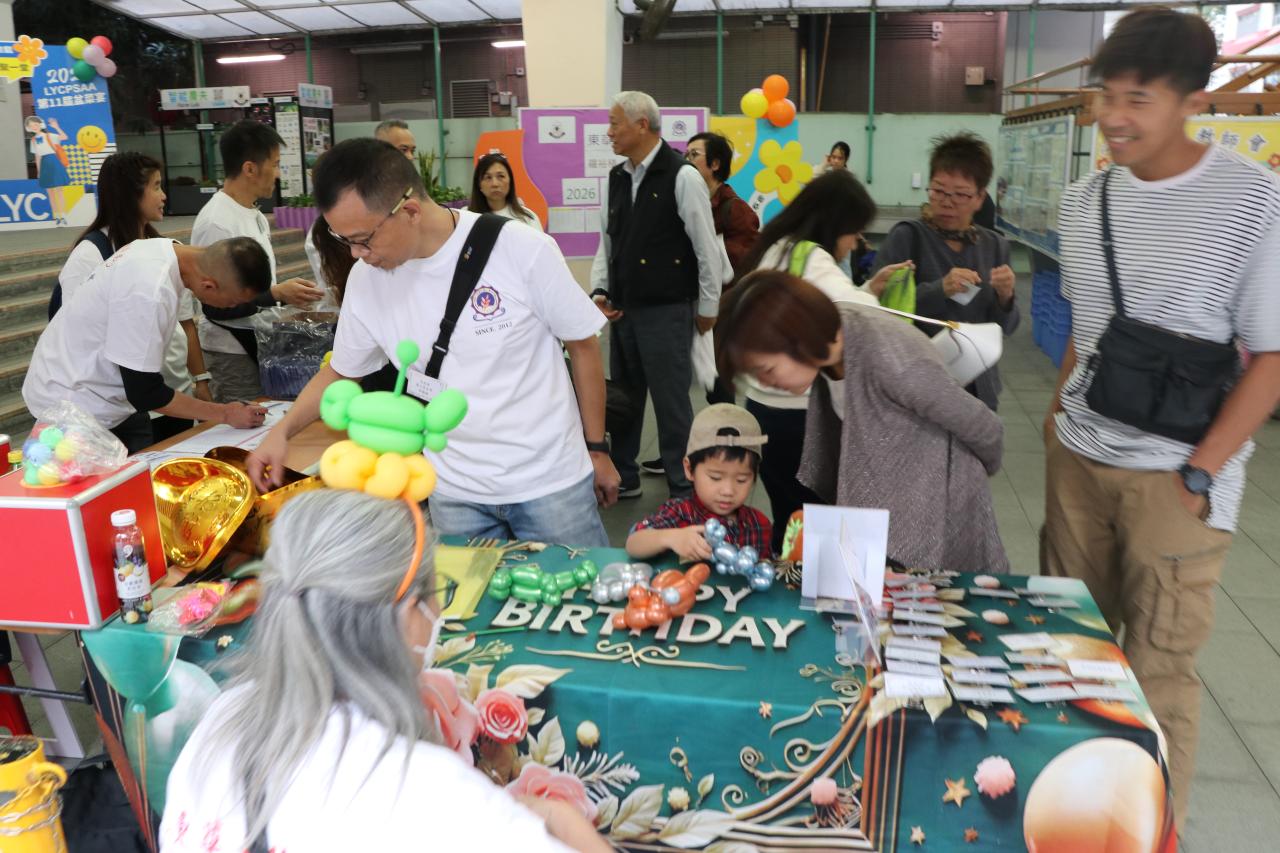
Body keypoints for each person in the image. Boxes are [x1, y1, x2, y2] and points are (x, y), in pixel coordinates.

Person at [1042, 9, 1280, 831]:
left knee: (1158, 666)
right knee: (1069, 652)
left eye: (1138, 98)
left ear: (1193, 101)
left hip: (1178, 478)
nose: (1113, 116)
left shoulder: (1253, 201)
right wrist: (1057, 417)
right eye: (1106, 94)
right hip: (1079, 461)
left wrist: (1202, 472)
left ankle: (1148, 829)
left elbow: (1272, 356)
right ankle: (1067, 814)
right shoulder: (1085, 199)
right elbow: (1087, 329)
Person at [159, 489, 607, 853]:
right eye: (437, 592)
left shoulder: (221, 720)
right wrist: (562, 819)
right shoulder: (430, 794)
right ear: (410, 614)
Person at [247, 138, 619, 546]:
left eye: (363, 238)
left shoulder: (520, 248)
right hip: (453, 491)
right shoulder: (367, 280)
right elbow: (341, 371)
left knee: (574, 583)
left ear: (409, 211)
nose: (355, 254)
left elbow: (583, 346)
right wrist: (282, 432)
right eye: (344, 240)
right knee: (464, 588)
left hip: (549, 483)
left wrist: (596, 449)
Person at [717, 270, 1008, 574]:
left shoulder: (892, 360)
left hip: (937, 511)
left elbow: (984, 427)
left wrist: (957, 483)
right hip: (890, 503)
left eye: (766, 369)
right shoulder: (833, 340)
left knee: (922, 594)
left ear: (798, 339)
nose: (765, 383)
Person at [734, 170, 909, 556]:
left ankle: (783, 579)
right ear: (837, 225)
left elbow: (816, 312)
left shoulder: (777, 248)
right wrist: (873, 299)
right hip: (803, 418)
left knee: (789, 518)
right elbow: (860, 314)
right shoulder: (812, 258)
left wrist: (868, 287)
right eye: (854, 233)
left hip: (762, 410)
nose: (854, 244)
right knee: (817, 524)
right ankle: (809, 585)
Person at [589, 91, 722, 501]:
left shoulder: (682, 176)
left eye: (615, 124)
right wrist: (599, 290)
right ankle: (625, 474)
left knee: (670, 401)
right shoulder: (616, 177)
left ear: (641, 125)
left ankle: (682, 483)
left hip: (668, 309)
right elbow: (607, 244)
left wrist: (708, 306)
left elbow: (706, 248)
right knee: (624, 399)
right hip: (623, 310)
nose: (609, 133)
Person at [23, 237, 273, 453]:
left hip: (105, 394)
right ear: (209, 285)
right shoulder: (148, 291)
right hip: (73, 404)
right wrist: (225, 413)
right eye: (232, 303)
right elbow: (146, 392)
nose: (231, 308)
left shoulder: (167, 250)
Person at [55, 152, 212, 441]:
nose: (163, 196)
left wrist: (200, 379)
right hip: (122, 410)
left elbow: (185, 322)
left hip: (173, 394)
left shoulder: (165, 248)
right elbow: (77, 339)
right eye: (156, 186)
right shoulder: (90, 255)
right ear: (130, 193)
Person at [871, 132, 1020, 411]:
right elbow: (879, 308)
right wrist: (940, 289)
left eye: (961, 195)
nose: (947, 202)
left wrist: (1006, 297)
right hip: (916, 386)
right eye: (938, 191)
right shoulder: (908, 237)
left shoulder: (995, 246)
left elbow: (1007, 328)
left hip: (978, 390)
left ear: (980, 198)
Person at [194, 119, 322, 403]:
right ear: (250, 168)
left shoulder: (253, 214)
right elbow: (215, 304)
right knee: (243, 422)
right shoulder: (217, 222)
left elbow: (255, 287)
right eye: (275, 164)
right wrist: (277, 294)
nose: (278, 173)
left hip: (259, 341)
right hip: (233, 351)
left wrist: (283, 295)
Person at [627, 404, 772, 562]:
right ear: (689, 469)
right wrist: (671, 537)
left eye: (741, 480)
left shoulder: (759, 524)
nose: (728, 491)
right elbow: (634, 543)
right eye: (715, 477)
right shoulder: (680, 513)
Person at [468, 152, 544, 231]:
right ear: (479, 184)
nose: (495, 184)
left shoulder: (527, 218)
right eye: (488, 177)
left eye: (501, 176)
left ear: (510, 180)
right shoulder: (466, 217)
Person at [27, 116, 71, 225]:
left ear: (40, 124)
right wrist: (38, 171)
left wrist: (56, 127)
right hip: (44, 164)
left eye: (36, 124)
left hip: (54, 162)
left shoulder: (49, 135)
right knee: (50, 192)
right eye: (31, 126)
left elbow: (64, 137)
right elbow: (37, 156)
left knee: (59, 190)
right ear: (29, 128)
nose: (34, 127)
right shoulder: (33, 140)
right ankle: (57, 216)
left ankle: (63, 215)